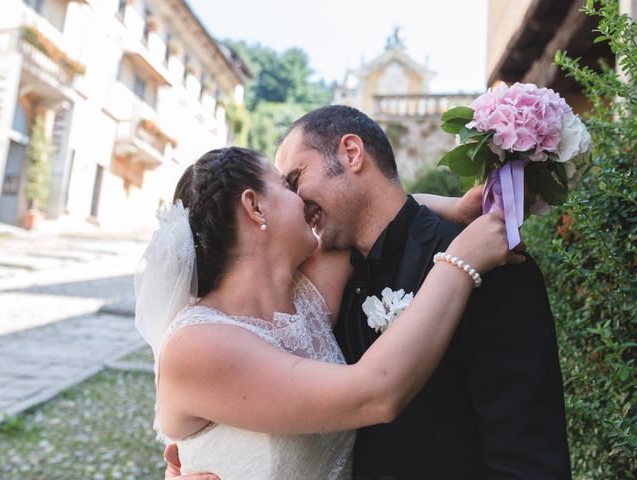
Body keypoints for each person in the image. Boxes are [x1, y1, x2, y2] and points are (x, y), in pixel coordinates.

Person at [167, 105, 572, 479]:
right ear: (255, 210)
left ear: (351, 153)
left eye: (295, 179)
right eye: (287, 188)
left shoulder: (490, 263)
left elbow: (530, 462)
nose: (299, 199)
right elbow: (372, 393)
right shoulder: (327, 278)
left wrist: (453, 212)